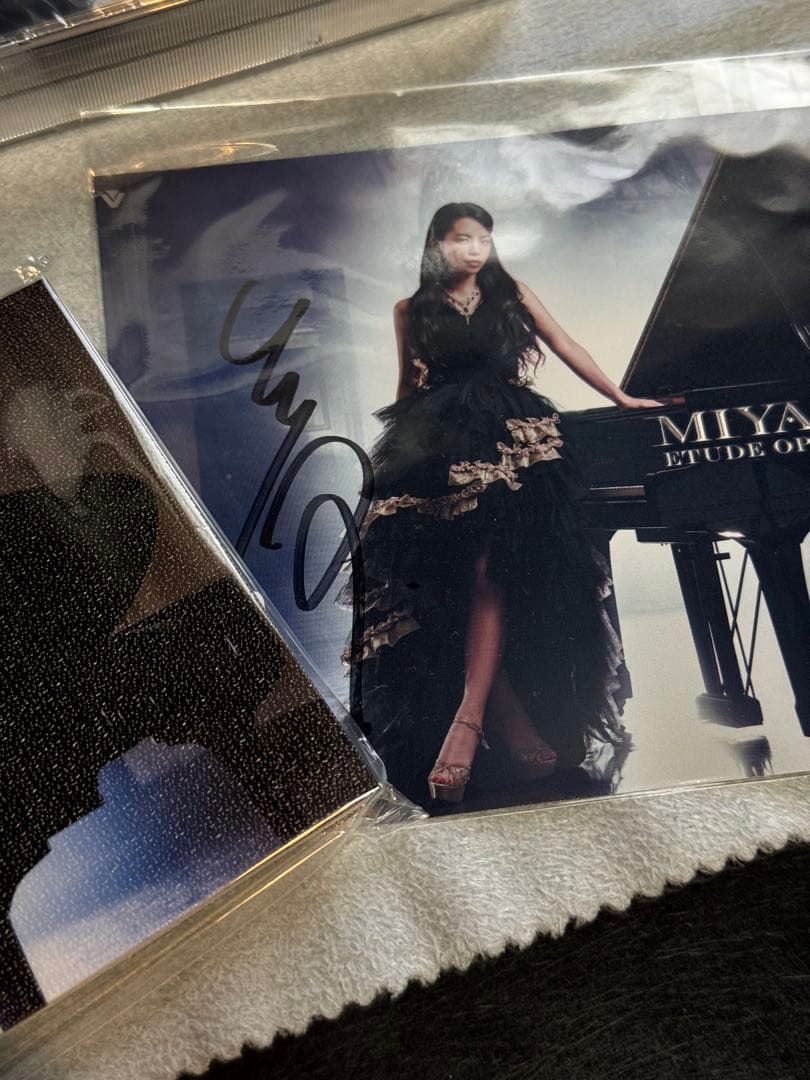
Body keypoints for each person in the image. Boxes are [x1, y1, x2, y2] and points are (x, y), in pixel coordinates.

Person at [344, 202, 661, 807]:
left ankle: (468, 722)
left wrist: (622, 397)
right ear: (437, 245)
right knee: (454, 584)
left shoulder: (510, 291)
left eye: (483, 240)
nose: (474, 250)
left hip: (515, 441)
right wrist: (393, 465)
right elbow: (407, 387)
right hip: (438, 445)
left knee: (494, 572)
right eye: (462, 240)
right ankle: (510, 719)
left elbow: (564, 342)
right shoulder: (411, 309)